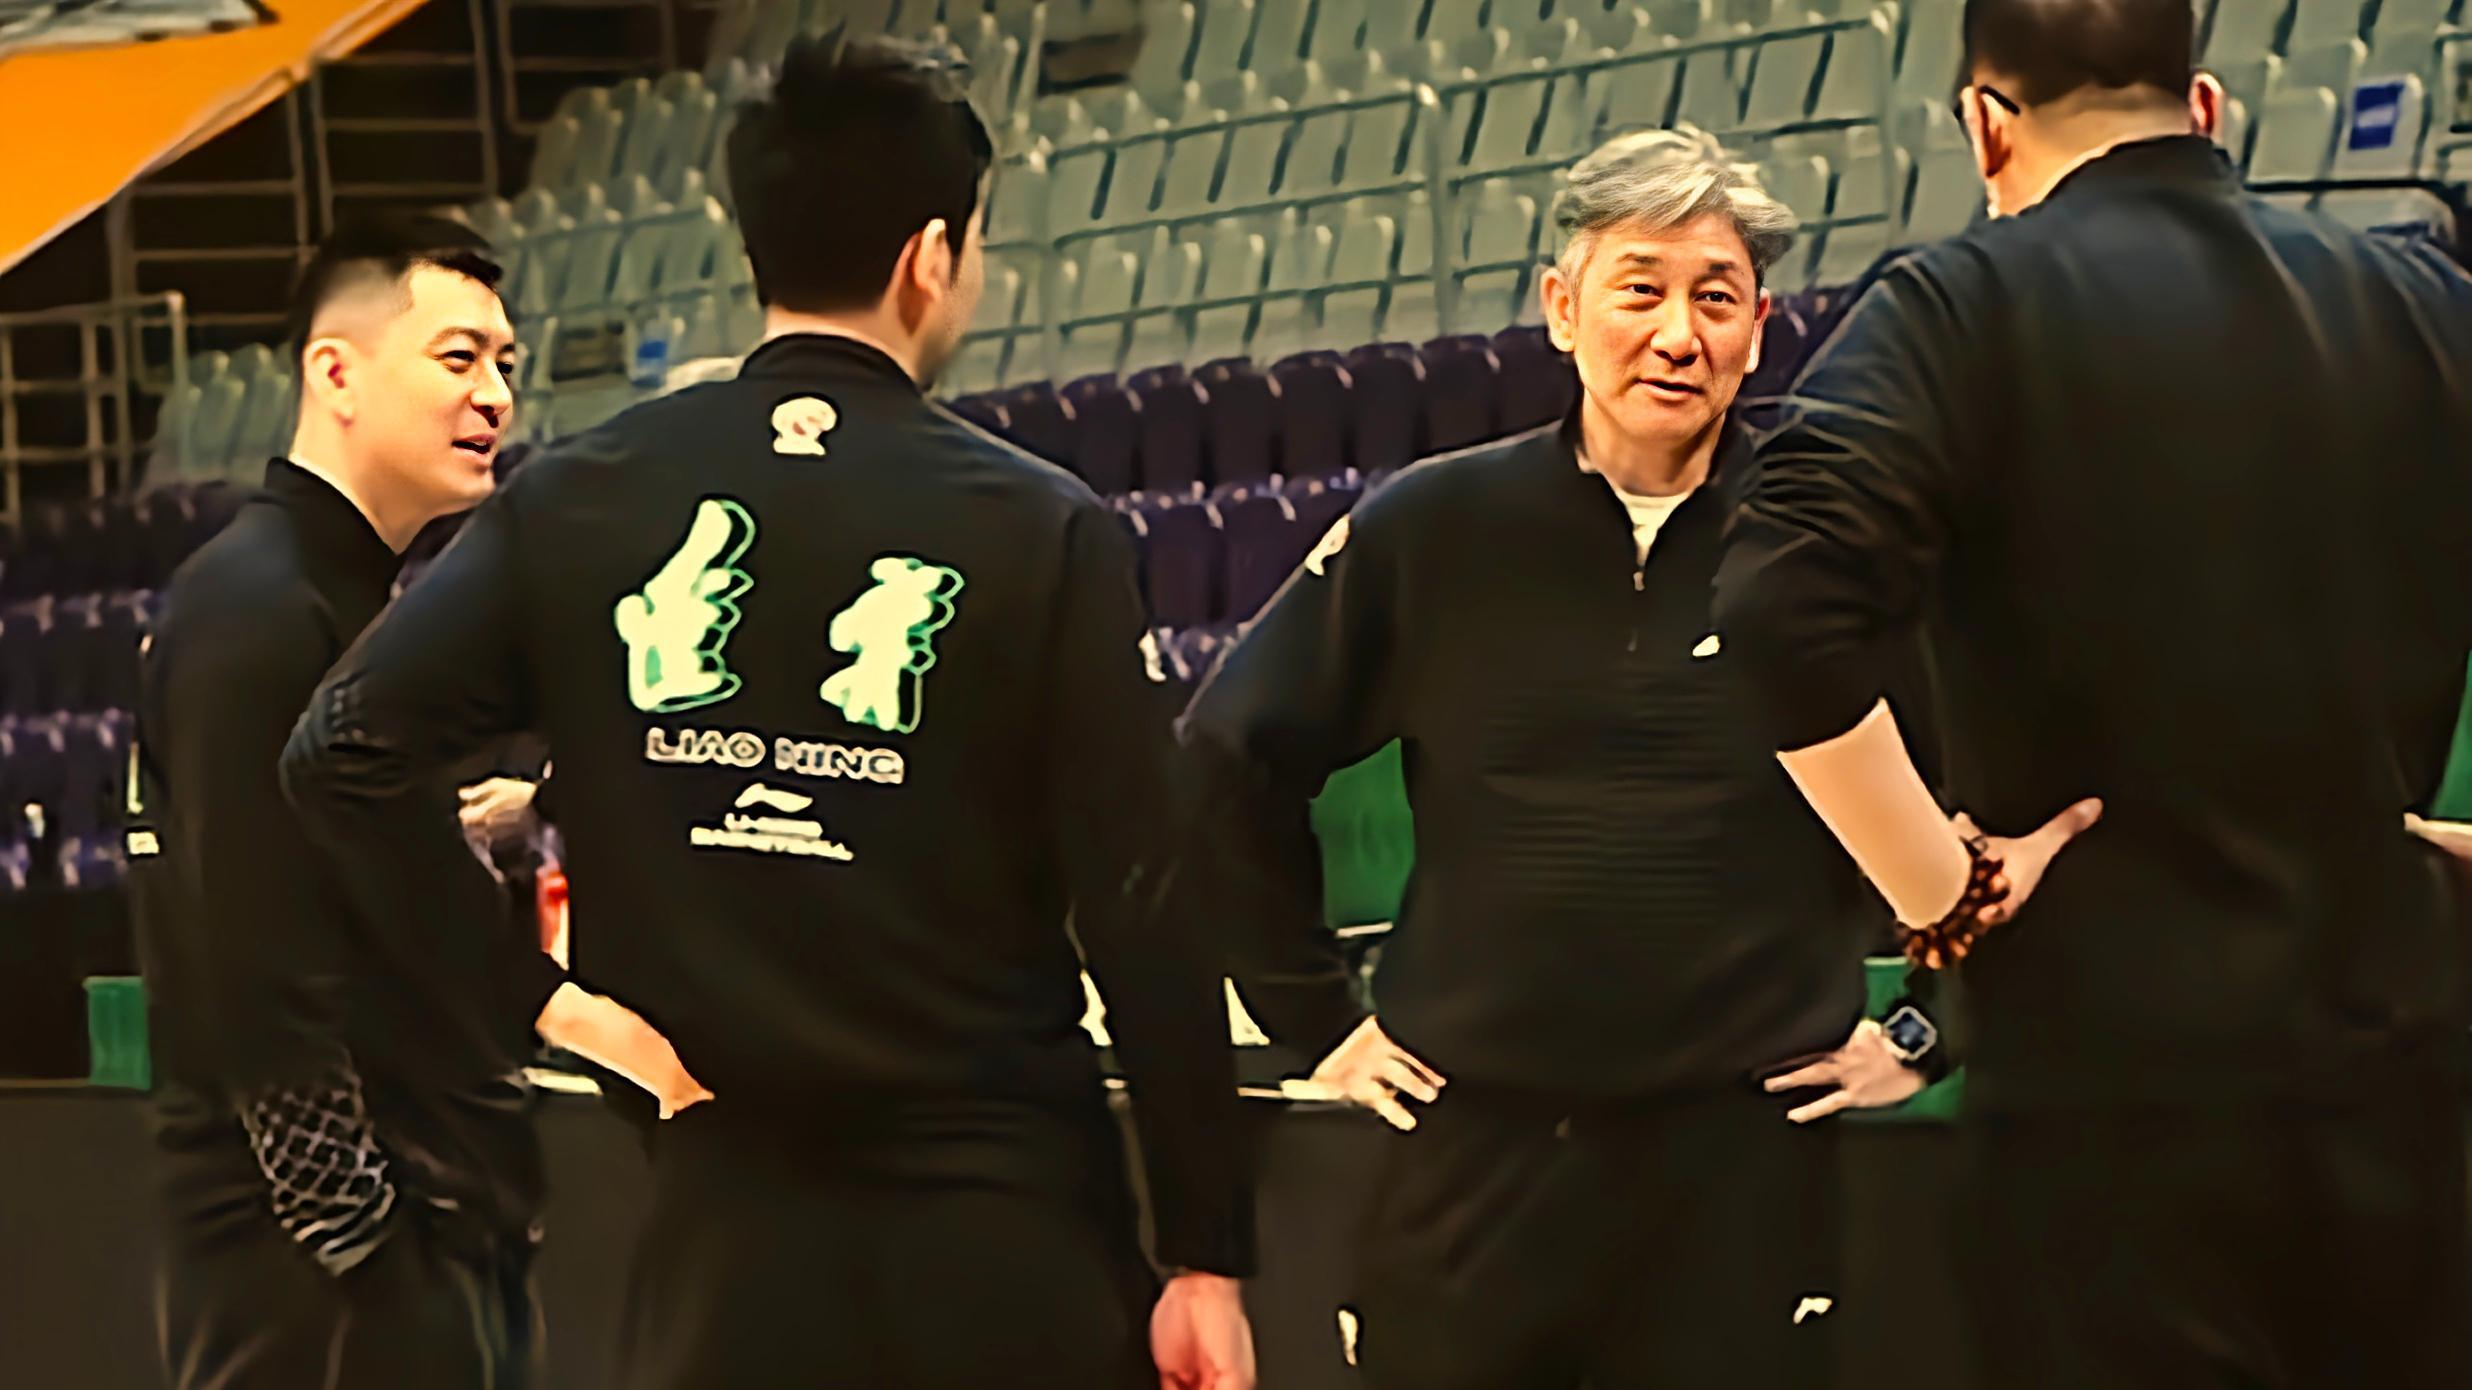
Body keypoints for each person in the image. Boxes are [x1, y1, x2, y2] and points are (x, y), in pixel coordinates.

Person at [279, 35, 1256, 1390]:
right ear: (932, 257)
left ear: (757, 245)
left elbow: (339, 755)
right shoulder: (1041, 525)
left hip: (720, 1255)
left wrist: (539, 1002)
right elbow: (1145, 900)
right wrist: (1204, 1251)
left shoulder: (583, 493)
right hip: (1003, 1239)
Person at [1711, 0, 2472, 1383]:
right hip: (2404, 1090)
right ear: (2206, 108)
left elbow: (1777, 608)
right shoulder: (2426, 298)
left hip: (2111, 1109)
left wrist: (1941, 889)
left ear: (1984, 125)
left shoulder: (1960, 304)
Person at [1172, 127, 1948, 1390]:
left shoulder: (1832, 548)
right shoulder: (1434, 526)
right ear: (1561, 306)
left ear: (1760, 328)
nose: (1678, 335)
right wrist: (1316, 1020)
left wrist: (1924, 1028)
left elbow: (1999, 796)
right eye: (1640, 290)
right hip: (1473, 1172)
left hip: (1740, 1179)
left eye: (1716, 299)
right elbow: (1223, 758)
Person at [129, 215, 700, 1390]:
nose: (495, 395)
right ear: (334, 375)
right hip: (321, 1272)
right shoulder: (256, 611)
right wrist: (363, 1246)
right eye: (458, 357)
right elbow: (260, 969)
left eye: (507, 364)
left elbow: (380, 902)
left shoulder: (358, 601)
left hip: (420, 1228)